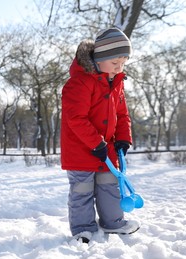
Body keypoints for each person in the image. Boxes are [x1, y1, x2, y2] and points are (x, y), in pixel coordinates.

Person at [60, 27, 140, 243]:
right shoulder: (79, 83)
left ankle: (112, 222)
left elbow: (122, 114)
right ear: (100, 58)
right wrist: (96, 142)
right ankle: (83, 229)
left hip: (107, 150)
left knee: (109, 186)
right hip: (81, 151)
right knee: (82, 191)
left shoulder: (117, 84)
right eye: (115, 63)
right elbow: (75, 118)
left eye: (123, 64)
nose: (119, 68)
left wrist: (123, 138)